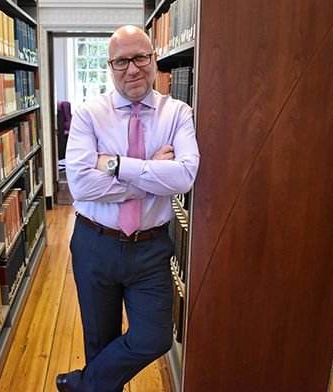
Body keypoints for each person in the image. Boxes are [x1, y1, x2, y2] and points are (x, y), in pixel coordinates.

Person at [57, 25, 200, 392]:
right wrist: (152, 168)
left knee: (155, 338)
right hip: (94, 244)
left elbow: (184, 176)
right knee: (100, 344)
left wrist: (116, 164)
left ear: (154, 60)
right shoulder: (90, 114)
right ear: (110, 65)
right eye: (122, 61)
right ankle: (94, 383)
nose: (132, 69)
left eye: (140, 57)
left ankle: (82, 384)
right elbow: (81, 185)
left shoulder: (177, 113)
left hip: (151, 248)